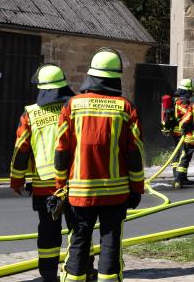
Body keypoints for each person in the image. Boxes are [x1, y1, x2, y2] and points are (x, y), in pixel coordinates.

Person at [54, 48, 145, 281]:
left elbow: (62, 151)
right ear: (116, 78)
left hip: (79, 193)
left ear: (90, 76)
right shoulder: (126, 108)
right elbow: (134, 155)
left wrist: (59, 186)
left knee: (78, 243)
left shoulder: (72, 106)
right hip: (116, 195)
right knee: (111, 244)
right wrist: (137, 189)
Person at [9, 64, 92, 282]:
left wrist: (17, 180)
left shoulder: (31, 114)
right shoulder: (77, 108)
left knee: (48, 231)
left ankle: (48, 274)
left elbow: (21, 150)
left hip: (45, 185)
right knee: (80, 228)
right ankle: (83, 269)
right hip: (76, 181)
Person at [162, 78, 194, 184]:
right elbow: (187, 114)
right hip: (181, 131)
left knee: (178, 153)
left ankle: (179, 176)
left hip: (175, 131)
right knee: (183, 154)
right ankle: (180, 178)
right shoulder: (183, 101)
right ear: (187, 90)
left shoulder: (175, 100)